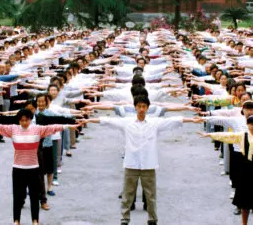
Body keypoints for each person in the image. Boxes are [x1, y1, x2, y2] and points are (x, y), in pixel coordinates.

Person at [83, 94, 201, 225]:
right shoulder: (127, 122)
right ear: (135, 108)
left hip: (149, 164)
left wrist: (192, 120)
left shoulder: (154, 123)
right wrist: (88, 120)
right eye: (139, 106)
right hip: (131, 163)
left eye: (144, 106)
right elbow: (107, 121)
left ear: (147, 108)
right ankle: (125, 219)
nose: (141, 109)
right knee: (128, 195)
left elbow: (173, 120)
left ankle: (152, 219)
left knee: (150, 195)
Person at [0, 108, 80, 225]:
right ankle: (16, 220)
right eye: (21, 120)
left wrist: (69, 126)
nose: (24, 123)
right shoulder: (13, 129)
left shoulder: (38, 129)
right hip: (18, 168)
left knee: (34, 196)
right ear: (18, 120)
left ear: (30, 119)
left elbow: (54, 127)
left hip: (34, 168)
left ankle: (35, 220)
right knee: (18, 196)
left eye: (26, 120)